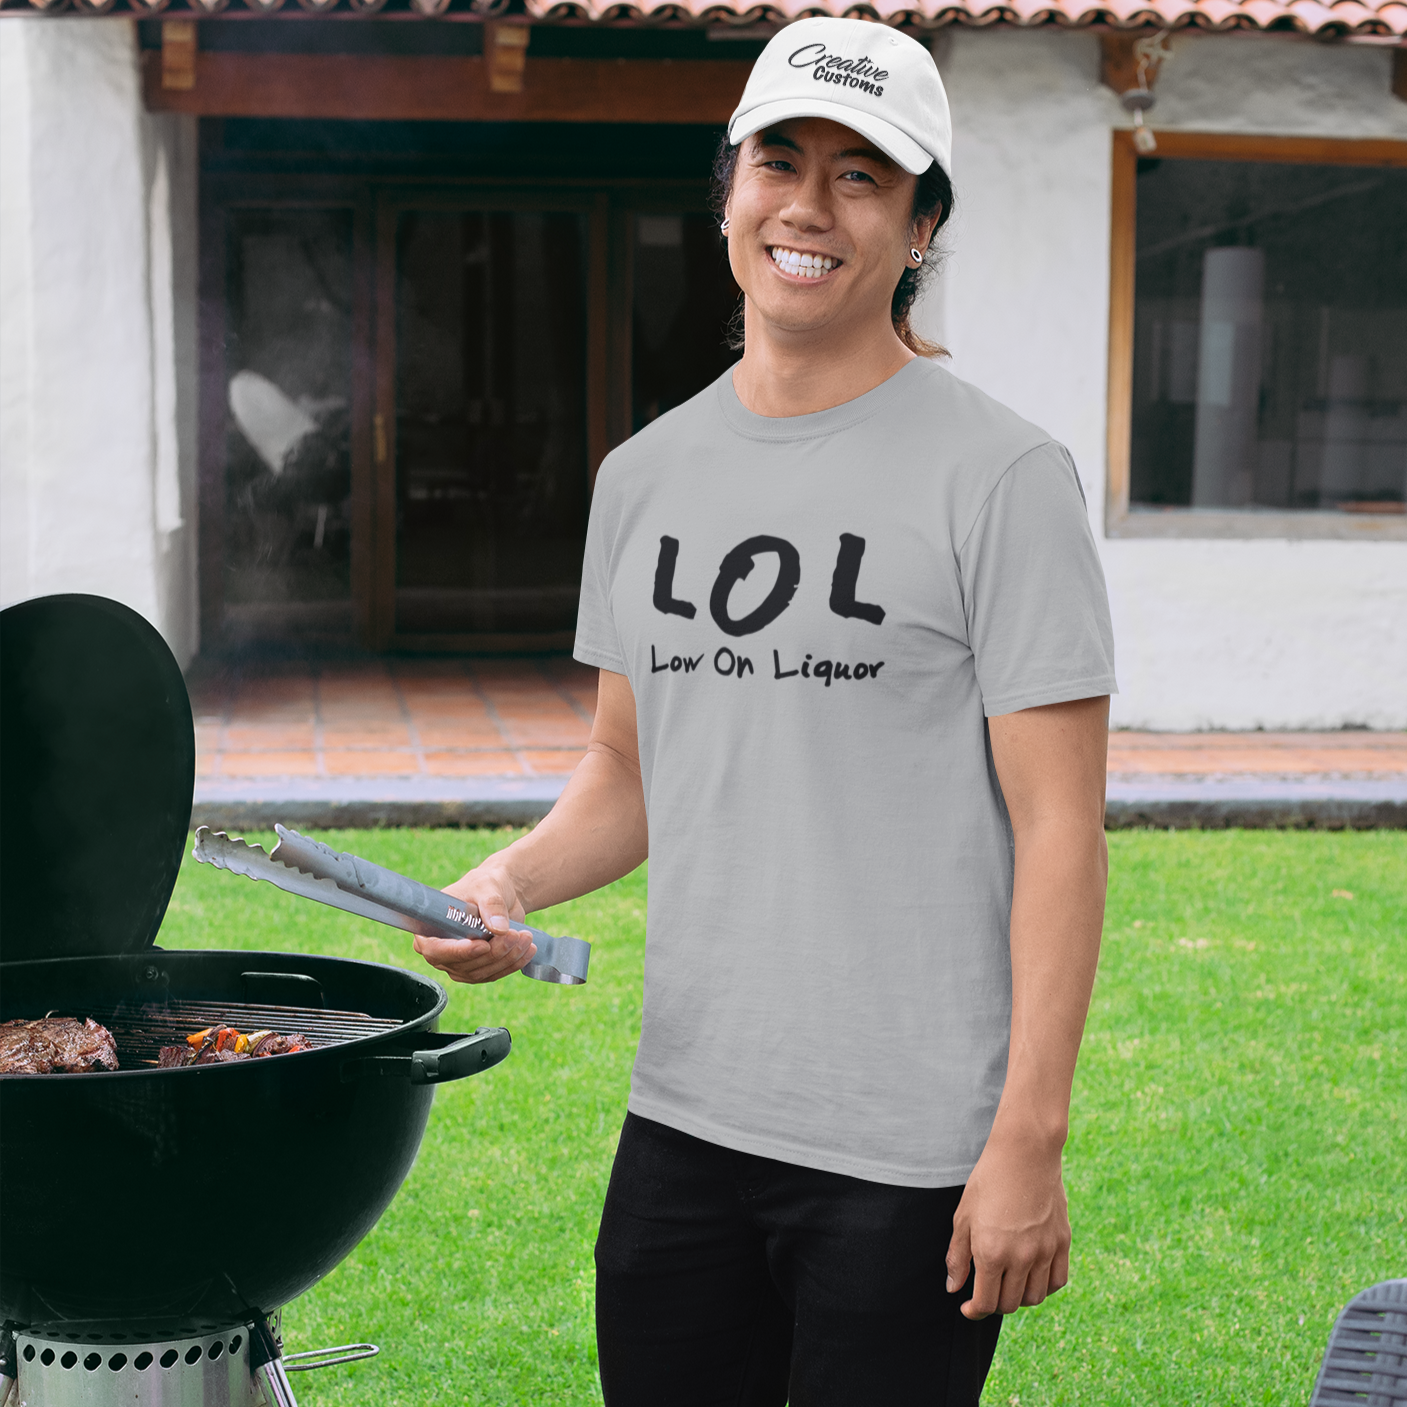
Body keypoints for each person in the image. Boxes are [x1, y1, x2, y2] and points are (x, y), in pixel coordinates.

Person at [412, 17, 1117, 1405]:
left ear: (921, 227)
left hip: (909, 1148)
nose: (807, 206)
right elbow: (629, 767)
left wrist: (1025, 1136)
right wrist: (504, 880)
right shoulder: (645, 475)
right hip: (685, 1124)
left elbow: (1060, 832)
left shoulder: (1001, 478)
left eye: (862, 177)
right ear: (727, 191)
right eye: (778, 161)